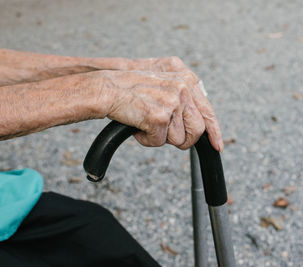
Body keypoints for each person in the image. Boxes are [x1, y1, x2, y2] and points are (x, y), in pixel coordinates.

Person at [0, 48, 223, 266]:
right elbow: (104, 90)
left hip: (8, 206)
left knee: (101, 236)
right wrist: (102, 90)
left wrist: (131, 72)